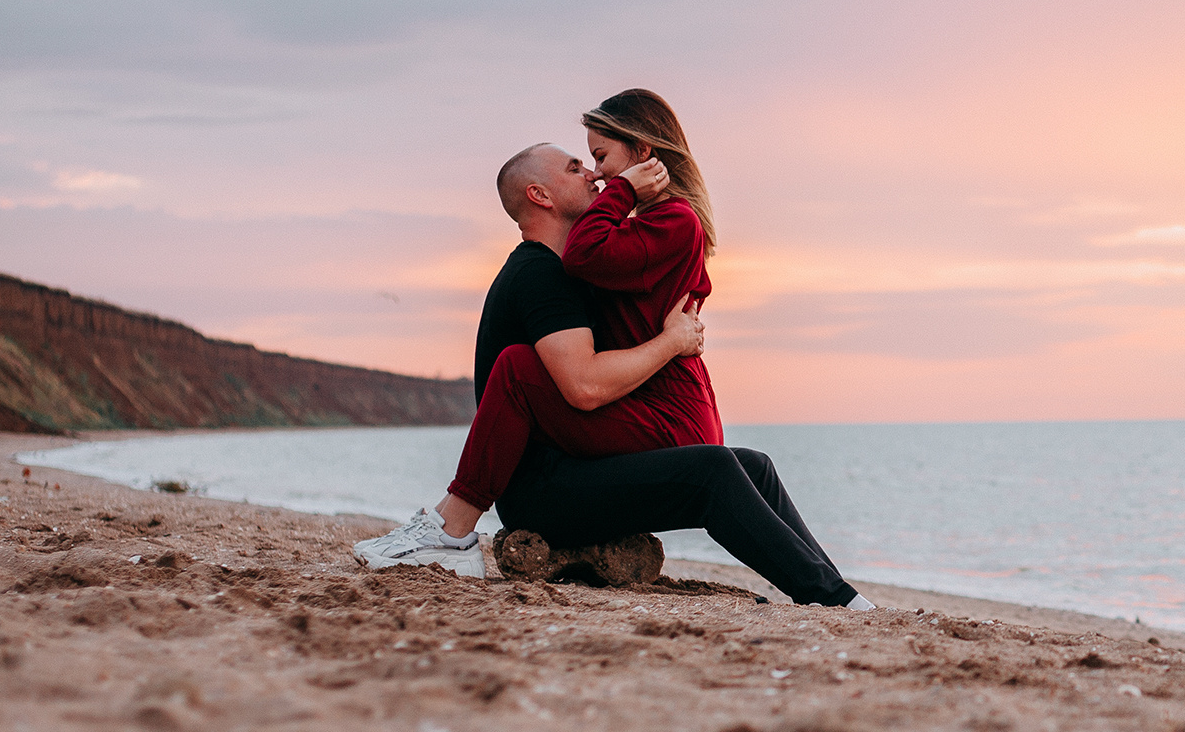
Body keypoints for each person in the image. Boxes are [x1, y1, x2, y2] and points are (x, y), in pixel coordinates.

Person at [353, 137, 870, 609]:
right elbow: (585, 386)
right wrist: (670, 343)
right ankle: (451, 531)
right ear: (540, 195)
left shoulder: (568, 274)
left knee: (751, 464)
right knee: (709, 471)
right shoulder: (538, 273)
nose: (593, 176)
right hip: (545, 492)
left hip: (577, 467)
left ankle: (842, 592)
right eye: (576, 168)